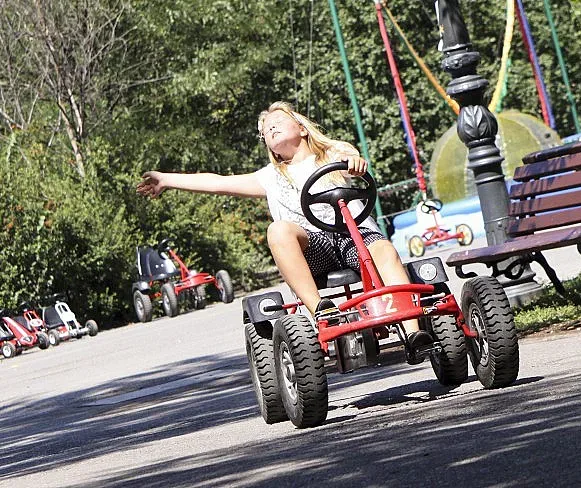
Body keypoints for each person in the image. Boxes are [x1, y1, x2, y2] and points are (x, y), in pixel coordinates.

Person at [137, 101, 434, 361]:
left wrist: (353, 160)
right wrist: (165, 178)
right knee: (277, 230)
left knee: (384, 248)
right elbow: (216, 182)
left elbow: (347, 151)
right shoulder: (269, 178)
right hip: (312, 247)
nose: (271, 129)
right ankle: (321, 309)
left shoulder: (331, 155)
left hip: (354, 235)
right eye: (266, 130)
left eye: (277, 122)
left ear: (301, 128)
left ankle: (413, 333)